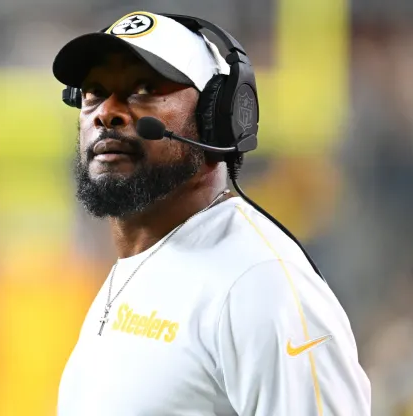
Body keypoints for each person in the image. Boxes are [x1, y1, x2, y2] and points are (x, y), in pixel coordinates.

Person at [51, 10, 371, 415]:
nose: (106, 112)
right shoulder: (143, 262)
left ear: (216, 119)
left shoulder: (258, 284)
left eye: (143, 89)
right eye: (94, 93)